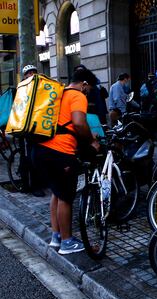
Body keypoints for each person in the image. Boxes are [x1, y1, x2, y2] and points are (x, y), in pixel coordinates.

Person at [31, 69, 100, 255]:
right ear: (84, 84)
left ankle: (57, 237)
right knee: (66, 198)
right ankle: (67, 242)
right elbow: (78, 123)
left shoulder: (58, 93)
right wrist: (91, 141)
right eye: (89, 89)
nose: (88, 93)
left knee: (57, 193)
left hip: (41, 150)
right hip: (60, 152)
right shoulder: (77, 96)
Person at [19, 65, 46, 197]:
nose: (32, 75)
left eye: (34, 72)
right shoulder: (22, 89)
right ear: (24, 76)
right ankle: (34, 185)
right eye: (28, 73)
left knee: (42, 157)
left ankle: (42, 182)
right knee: (32, 158)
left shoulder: (42, 87)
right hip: (29, 130)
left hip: (42, 127)